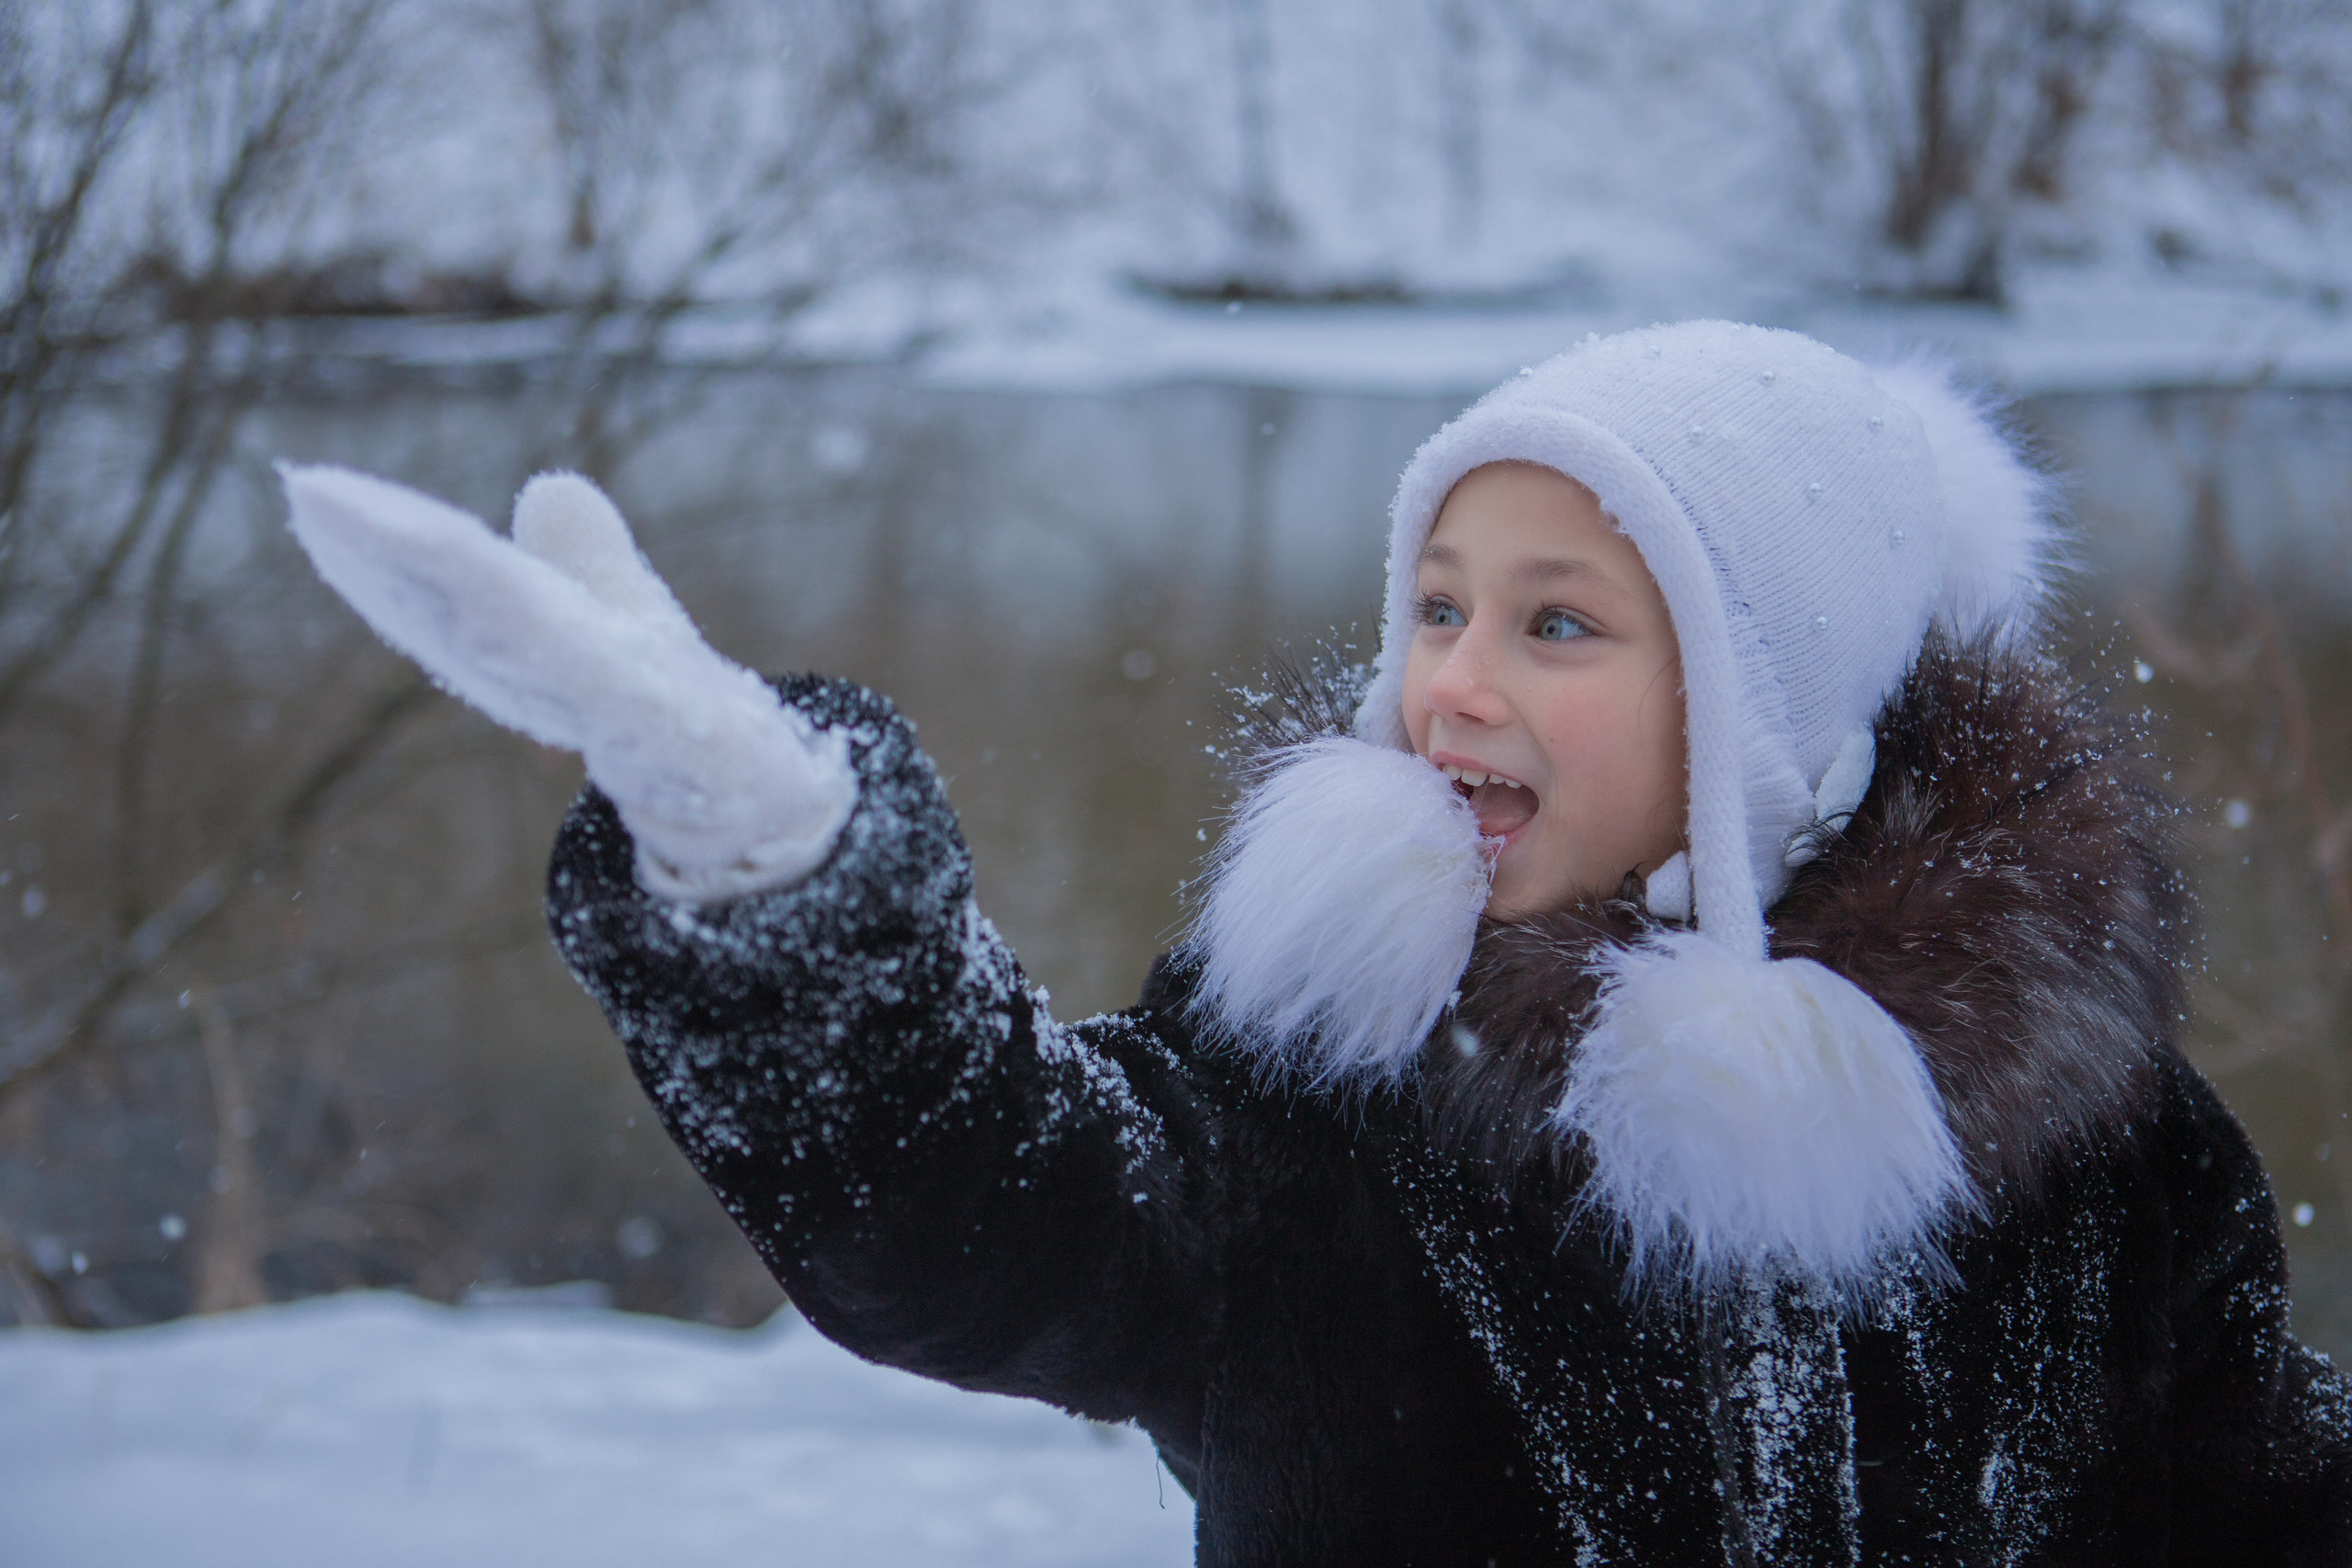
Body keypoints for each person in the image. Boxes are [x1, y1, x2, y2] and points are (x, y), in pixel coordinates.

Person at [282, 321, 2352, 1565]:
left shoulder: (2092, 1138)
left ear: (1771, 704)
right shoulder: (1329, 1075)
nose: (1449, 682)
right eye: (1433, 602)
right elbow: (1002, 1215)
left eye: (1556, 620)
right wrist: (787, 894)